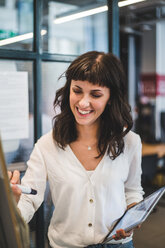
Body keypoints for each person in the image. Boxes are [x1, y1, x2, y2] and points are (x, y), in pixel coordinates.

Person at [9, 51, 144, 248]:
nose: (82, 103)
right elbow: (30, 200)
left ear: (110, 97)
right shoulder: (47, 145)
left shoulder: (130, 142)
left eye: (95, 94)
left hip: (119, 244)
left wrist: (133, 218)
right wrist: (12, 206)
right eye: (77, 90)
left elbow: (132, 191)